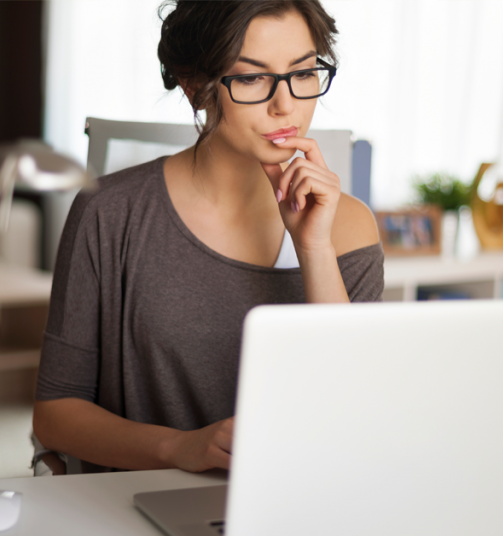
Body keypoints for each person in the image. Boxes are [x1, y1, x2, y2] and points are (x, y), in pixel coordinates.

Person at [32, 0, 384, 475]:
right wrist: (179, 448)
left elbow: (355, 414)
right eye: (251, 77)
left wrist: (314, 248)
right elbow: (56, 415)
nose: (287, 105)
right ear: (195, 86)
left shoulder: (347, 224)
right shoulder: (109, 212)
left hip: (297, 500)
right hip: (139, 500)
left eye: (303, 73)